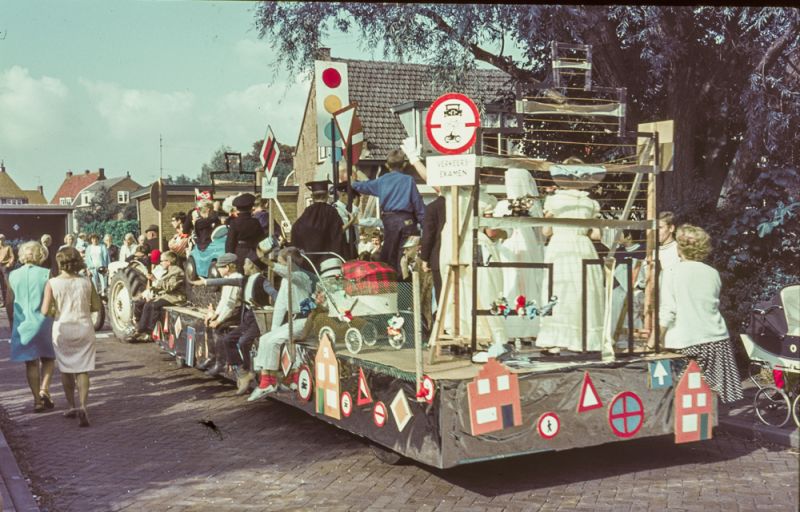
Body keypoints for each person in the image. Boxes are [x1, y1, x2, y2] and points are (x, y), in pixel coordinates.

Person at [659, 225, 743, 403]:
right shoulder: (712, 273)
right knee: (710, 396)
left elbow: (668, 310)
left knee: (681, 398)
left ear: (679, 248)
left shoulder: (670, 272)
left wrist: (657, 338)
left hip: (685, 341)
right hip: (716, 340)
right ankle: (711, 419)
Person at [535, 164, 605, 354]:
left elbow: (546, 231)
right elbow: (596, 235)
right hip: (583, 246)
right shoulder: (590, 203)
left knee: (558, 290)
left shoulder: (554, 201)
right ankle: (585, 340)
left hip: (561, 246)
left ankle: (555, 340)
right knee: (584, 291)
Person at [41, 247, 99, 427]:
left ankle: (71, 406)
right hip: (84, 327)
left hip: (63, 329)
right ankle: (83, 405)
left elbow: (45, 311)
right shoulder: (87, 281)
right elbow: (96, 306)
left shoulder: (52, 283)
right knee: (83, 369)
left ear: (60, 263)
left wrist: (56, 309)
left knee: (66, 369)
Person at [248, 247, 314, 401]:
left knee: (272, 341)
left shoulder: (301, 276)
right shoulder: (286, 281)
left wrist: (265, 261)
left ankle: (268, 383)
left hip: (306, 321)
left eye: (281, 263)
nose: (278, 266)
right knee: (266, 339)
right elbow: (281, 306)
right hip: (294, 320)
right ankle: (269, 380)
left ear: (290, 263)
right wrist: (273, 330)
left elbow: (289, 273)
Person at [347, 149, 425, 273]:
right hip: (408, 221)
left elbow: (365, 186)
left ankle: (391, 281)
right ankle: (405, 282)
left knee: (389, 257)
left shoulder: (382, 181)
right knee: (406, 257)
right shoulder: (408, 180)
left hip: (390, 221)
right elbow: (418, 204)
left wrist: (353, 183)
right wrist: (425, 225)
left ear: (387, 165)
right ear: (404, 164)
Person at [7, 241, 56, 413]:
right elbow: (52, 299)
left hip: (23, 324)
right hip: (43, 321)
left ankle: (37, 401)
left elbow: (10, 302)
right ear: (40, 255)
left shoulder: (13, 275)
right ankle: (44, 389)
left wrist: (12, 323)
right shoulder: (46, 273)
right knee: (48, 358)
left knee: (31, 363)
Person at [195, 253, 243, 377]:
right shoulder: (228, 279)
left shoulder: (236, 278)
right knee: (208, 324)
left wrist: (219, 320)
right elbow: (223, 300)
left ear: (227, 267)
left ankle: (221, 363)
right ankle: (212, 357)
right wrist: (215, 314)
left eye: (220, 268)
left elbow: (230, 304)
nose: (218, 271)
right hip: (230, 311)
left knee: (218, 328)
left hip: (237, 312)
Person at [290, 176, 347, 271]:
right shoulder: (331, 212)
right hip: (328, 264)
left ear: (312, 197)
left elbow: (296, 230)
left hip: (308, 263)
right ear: (327, 195)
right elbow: (338, 234)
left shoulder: (307, 212)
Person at [132, 251, 186, 340]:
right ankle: (139, 328)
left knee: (152, 305)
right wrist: (151, 291)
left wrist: (155, 280)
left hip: (175, 297)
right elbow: (162, 286)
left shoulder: (177, 271)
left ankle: (147, 331)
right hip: (167, 295)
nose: (160, 263)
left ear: (168, 262)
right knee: (143, 303)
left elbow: (170, 287)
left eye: (162, 261)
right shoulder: (169, 271)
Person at [225, 193, 265, 271]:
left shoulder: (234, 222)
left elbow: (230, 242)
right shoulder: (255, 222)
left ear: (237, 208)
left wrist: (229, 258)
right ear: (251, 207)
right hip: (253, 252)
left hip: (239, 252)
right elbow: (261, 238)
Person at [421, 191, 446, 308]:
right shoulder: (465, 204)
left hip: (439, 256)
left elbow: (428, 235)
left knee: (442, 295)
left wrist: (425, 258)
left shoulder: (432, 207)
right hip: (463, 256)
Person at [0, 233, 16, 306]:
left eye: (2, 239)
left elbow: (12, 257)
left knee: (7, 284)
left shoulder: (8, 247)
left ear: (4, 240)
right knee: (1, 286)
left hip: (5, 266)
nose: (0, 241)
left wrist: (9, 264)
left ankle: (9, 301)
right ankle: (2, 302)